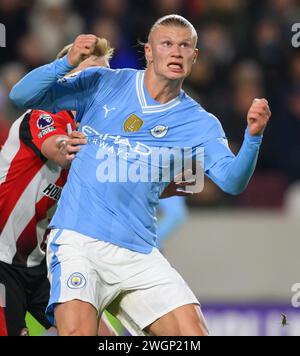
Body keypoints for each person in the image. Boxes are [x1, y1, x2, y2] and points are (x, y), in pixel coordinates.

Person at [10, 14, 271, 336]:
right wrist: (66, 62)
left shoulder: (200, 122)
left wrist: (253, 137)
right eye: (167, 44)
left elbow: (231, 182)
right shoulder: (105, 83)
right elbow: (21, 97)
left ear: (195, 56)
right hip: (79, 242)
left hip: (138, 250)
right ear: (148, 51)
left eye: (184, 45)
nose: (176, 52)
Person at [0, 38, 114, 336]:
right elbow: (60, 149)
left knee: (104, 337)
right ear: (68, 82)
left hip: (40, 266)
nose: (99, 88)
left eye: (106, 80)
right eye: (90, 77)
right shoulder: (41, 115)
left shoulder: (102, 142)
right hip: (0, 261)